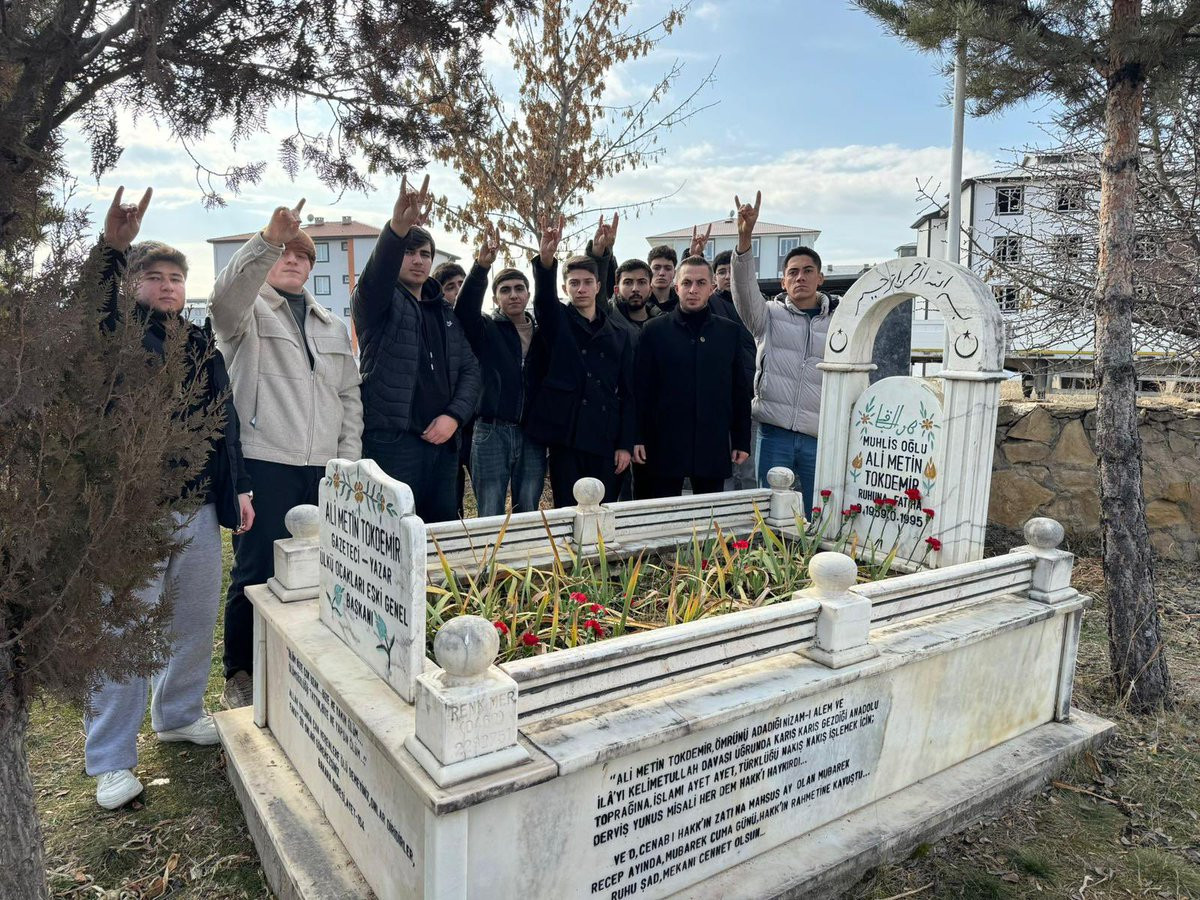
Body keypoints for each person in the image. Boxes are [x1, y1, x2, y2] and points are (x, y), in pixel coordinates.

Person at [86, 187, 254, 810]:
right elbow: (92, 306)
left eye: (175, 278)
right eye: (153, 277)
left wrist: (237, 490)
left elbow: (223, 426)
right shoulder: (115, 337)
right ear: (132, 284)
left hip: (197, 510)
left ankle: (178, 715)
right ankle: (110, 759)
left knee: (192, 623)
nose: (167, 286)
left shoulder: (201, 343)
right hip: (132, 515)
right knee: (125, 634)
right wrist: (112, 248)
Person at [209, 199, 363, 710]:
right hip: (265, 461)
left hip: (325, 468)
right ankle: (241, 672)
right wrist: (267, 240)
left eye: (302, 255)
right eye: (285, 253)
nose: (293, 260)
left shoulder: (331, 325)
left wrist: (347, 462)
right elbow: (224, 299)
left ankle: (300, 661)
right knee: (256, 570)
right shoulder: (247, 313)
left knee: (320, 568)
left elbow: (348, 397)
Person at [353, 176, 481, 523]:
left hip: (443, 446)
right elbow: (376, 277)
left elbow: (470, 370)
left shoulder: (444, 313)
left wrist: (454, 416)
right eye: (409, 252)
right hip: (394, 443)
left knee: (440, 535)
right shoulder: (376, 303)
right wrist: (397, 229)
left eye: (425, 254)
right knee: (391, 534)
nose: (418, 260)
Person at [731, 191, 832, 515]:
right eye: (793, 272)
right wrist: (744, 241)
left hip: (819, 435)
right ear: (783, 281)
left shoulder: (840, 322)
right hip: (774, 433)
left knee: (819, 511)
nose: (800, 277)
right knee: (771, 512)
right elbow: (744, 291)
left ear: (820, 278)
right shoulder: (768, 316)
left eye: (807, 270)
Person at [525, 215, 634, 505]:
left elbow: (628, 393)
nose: (581, 289)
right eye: (574, 283)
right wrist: (546, 261)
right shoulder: (557, 321)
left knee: (604, 511)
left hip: (605, 437)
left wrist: (624, 444)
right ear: (565, 289)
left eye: (587, 282)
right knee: (567, 511)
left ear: (599, 286)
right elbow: (544, 302)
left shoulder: (619, 334)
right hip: (567, 436)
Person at [633, 256, 751, 498]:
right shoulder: (654, 331)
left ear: (712, 288)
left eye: (700, 283)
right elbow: (640, 390)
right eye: (686, 283)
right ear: (676, 287)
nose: (693, 289)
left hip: (711, 441)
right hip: (663, 443)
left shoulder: (729, 332)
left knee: (708, 515)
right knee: (663, 514)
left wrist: (741, 439)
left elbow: (738, 390)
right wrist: (636, 437)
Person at [453, 224, 546, 516]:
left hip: (532, 433)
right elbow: (463, 311)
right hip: (490, 431)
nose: (513, 295)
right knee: (490, 511)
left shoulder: (543, 333)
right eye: (505, 290)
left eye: (519, 289)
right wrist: (481, 267)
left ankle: (527, 550)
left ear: (528, 294)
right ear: (495, 299)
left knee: (528, 508)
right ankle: (490, 551)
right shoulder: (486, 329)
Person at [709, 248, 758, 490]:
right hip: (719, 399)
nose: (728, 276)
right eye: (721, 272)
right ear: (714, 278)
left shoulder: (757, 306)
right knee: (723, 470)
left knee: (751, 470)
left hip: (752, 396)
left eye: (732, 270)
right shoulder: (710, 304)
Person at [434, 260, 473, 513]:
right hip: (447, 424)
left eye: (462, 284)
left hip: (477, 424)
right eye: (450, 287)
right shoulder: (434, 326)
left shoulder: (481, 323)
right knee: (451, 495)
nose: (458, 291)